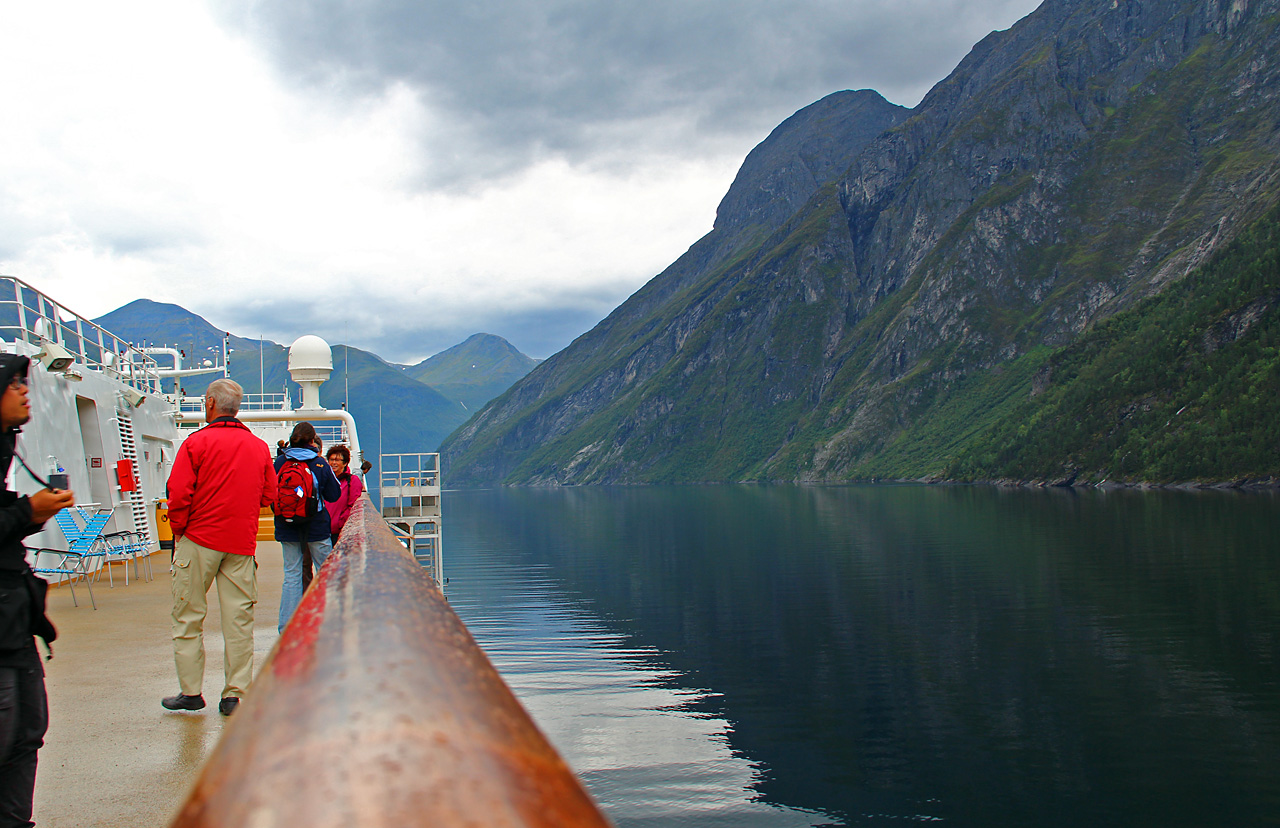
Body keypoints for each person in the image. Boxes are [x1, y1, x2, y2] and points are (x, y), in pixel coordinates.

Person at [164, 378, 276, 717]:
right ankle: (232, 695)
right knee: (239, 622)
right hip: (240, 544)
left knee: (188, 617)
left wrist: (180, 531)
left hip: (199, 540)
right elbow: (269, 497)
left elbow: (179, 493)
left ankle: (191, 692)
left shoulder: (195, 444)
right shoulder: (258, 447)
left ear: (210, 404)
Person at [0, 355, 74, 826]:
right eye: (12, 383)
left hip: (13, 626)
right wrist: (27, 512)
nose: (24, 390)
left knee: (25, 736)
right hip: (3, 637)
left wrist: (31, 514)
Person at [274, 422, 339, 633]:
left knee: (291, 575)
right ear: (312, 441)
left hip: (287, 526)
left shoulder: (280, 462)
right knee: (325, 572)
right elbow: (334, 494)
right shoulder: (319, 463)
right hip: (317, 527)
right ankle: (327, 622)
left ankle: (287, 627)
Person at [325, 445, 363, 545]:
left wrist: (340, 522)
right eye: (331, 459)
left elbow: (353, 505)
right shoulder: (324, 479)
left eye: (337, 460)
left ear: (345, 463)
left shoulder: (352, 481)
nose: (333, 463)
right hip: (322, 530)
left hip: (340, 531)